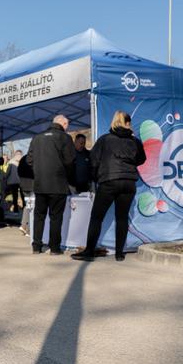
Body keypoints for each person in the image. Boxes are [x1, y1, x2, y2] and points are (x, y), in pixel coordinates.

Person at [72, 111, 146, 262]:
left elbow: (93, 161)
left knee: (96, 218)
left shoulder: (105, 140)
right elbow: (141, 159)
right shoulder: (135, 141)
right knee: (122, 218)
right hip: (129, 182)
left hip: (109, 181)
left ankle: (89, 251)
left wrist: (95, 177)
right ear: (127, 123)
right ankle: (119, 254)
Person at [27, 115, 76, 255]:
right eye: (68, 125)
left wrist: (39, 171)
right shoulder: (65, 138)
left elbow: (29, 160)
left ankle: (36, 246)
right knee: (56, 217)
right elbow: (70, 161)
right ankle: (54, 248)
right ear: (64, 123)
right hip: (58, 184)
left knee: (39, 216)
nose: (68, 128)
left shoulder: (37, 138)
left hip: (40, 184)